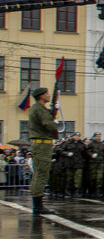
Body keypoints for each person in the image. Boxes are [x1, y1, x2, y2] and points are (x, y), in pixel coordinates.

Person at [26, 87, 57, 216]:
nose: (49, 95)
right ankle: (38, 206)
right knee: (41, 175)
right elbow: (48, 124)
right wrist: (54, 122)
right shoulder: (39, 109)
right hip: (42, 145)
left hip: (41, 144)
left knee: (40, 174)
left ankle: (38, 205)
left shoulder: (38, 109)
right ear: (41, 96)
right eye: (46, 94)